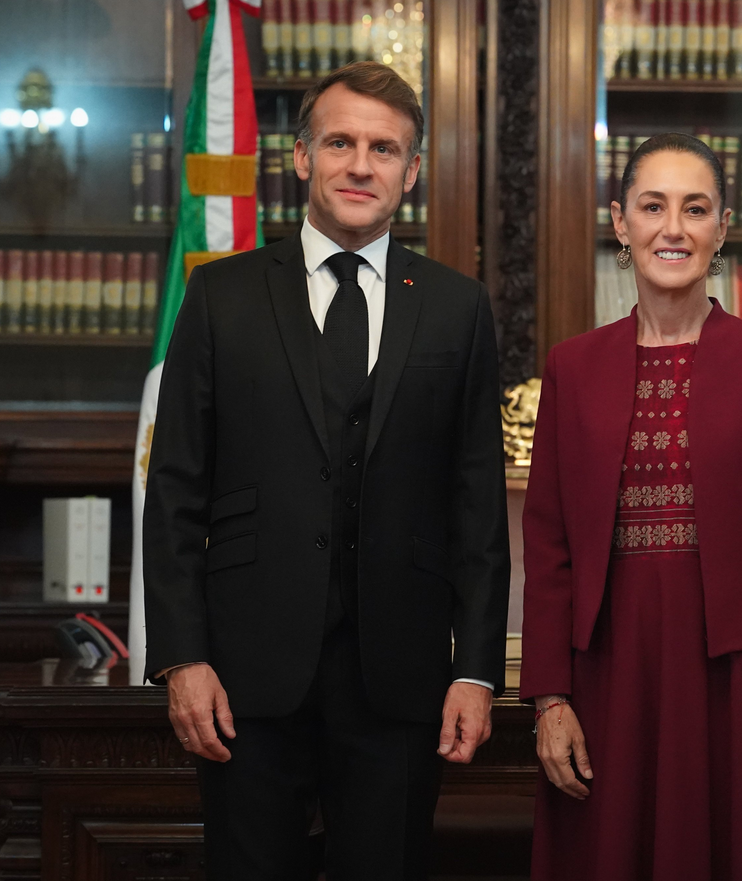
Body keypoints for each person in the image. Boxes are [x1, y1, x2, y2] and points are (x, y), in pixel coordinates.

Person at [143, 61, 510, 881]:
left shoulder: (456, 307)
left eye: (384, 149)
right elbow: (173, 489)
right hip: (243, 675)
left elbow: (475, 504)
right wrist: (181, 656)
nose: (360, 164)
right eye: (340, 142)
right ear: (302, 157)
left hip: (401, 674)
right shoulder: (220, 296)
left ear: (411, 172)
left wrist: (476, 669)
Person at [520, 132, 742, 881]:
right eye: (652, 206)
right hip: (607, 675)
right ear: (619, 223)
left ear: (721, 228)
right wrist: (547, 699)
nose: (673, 228)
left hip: (736, 682)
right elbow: (549, 545)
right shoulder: (571, 365)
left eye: (695, 209)